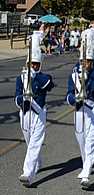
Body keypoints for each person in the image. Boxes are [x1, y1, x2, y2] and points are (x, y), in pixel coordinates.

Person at [66, 25, 94, 189]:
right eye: (84, 61)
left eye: (89, 61)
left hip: (92, 108)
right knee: (81, 140)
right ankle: (86, 165)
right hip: (79, 110)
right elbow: (69, 93)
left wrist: (89, 72)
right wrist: (72, 99)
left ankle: (86, 174)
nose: (86, 63)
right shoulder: (74, 72)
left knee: (91, 141)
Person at [16, 26, 55, 187]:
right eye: (32, 64)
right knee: (29, 141)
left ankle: (27, 174)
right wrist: (21, 100)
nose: (34, 67)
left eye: (37, 65)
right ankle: (37, 162)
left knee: (34, 143)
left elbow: (48, 84)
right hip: (25, 113)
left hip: (39, 114)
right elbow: (17, 96)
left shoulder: (43, 77)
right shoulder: (21, 77)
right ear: (27, 63)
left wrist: (35, 76)